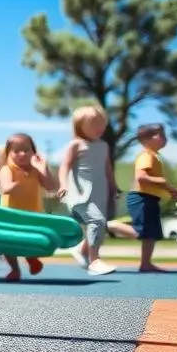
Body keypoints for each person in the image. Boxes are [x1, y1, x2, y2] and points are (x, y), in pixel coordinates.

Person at [59, 105, 117, 276]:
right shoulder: (76, 145)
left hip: (100, 191)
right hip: (81, 193)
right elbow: (65, 166)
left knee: (99, 224)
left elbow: (108, 169)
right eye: (93, 123)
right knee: (97, 221)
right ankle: (94, 261)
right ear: (80, 125)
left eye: (102, 123)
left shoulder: (104, 146)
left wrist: (114, 187)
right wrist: (63, 184)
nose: (99, 127)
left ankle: (82, 250)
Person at [0, 133, 60, 282]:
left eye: (27, 150)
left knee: (32, 240)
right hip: (11, 214)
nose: (22, 154)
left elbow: (51, 187)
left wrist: (43, 168)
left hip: (32, 214)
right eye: (17, 150)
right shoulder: (7, 169)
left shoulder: (36, 170)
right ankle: (15, 269)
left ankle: (31, 258)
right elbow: (5, 187)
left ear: (34, 152)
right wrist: (13, 186)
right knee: (8, 244)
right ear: (8, 153)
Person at [126, 122, 177, 273]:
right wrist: (164, 183)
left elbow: (156, 181)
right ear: (146, 139)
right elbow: (141, 177)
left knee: (151, 234)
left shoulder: (156, 156)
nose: (165, 138)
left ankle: (146, 263)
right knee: (141, 231)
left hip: (150, 198)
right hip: (141, 198)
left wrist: (170, 190)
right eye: (161, 135)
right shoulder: (147, 156)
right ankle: (105, 225)